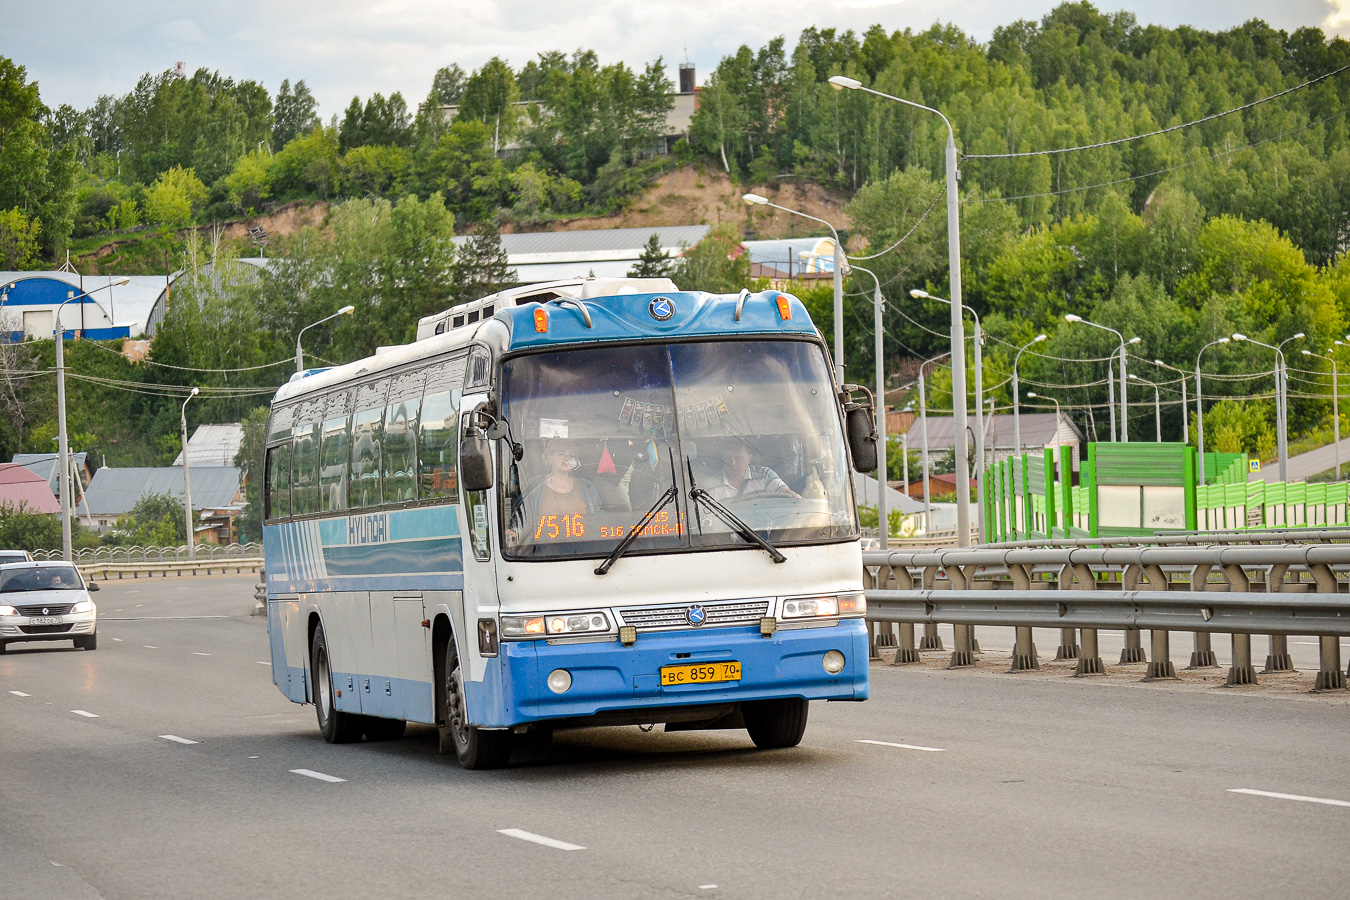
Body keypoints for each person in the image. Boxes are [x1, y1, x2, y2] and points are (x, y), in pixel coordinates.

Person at [510, 440, 602, 541]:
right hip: (543, 548)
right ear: (549, 458)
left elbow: (598, 520)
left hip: (582, 547)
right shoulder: (534, 487)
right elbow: (522, 518)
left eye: (571, 455)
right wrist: (515, 532)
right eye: (561, 454)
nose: (566, 458)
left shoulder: (587, 487)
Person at [708, 441, 799, 501]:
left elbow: (787, 494)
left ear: (749, 458)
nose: (732, 463)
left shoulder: (765, 476)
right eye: (727, 458)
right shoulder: (710, 487)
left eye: (738, 458)